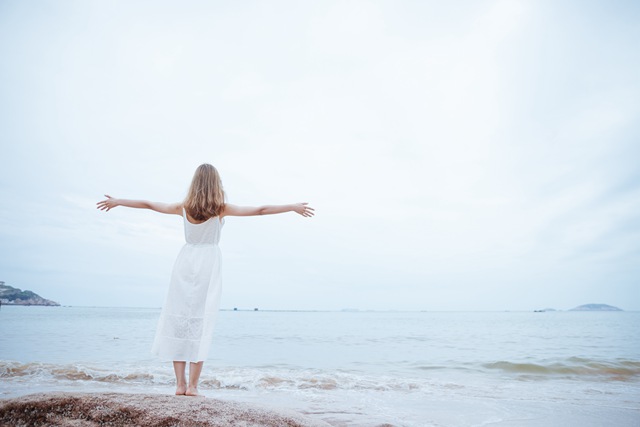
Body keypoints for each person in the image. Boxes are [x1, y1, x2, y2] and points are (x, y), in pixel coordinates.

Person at [96, 163, 314, 396]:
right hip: (208, 265)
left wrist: (119, 201)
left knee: (179, 321)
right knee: (201, 323)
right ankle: (193, 386)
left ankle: (179, 385)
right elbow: (260, 210)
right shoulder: (220, 208)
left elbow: (149, 204)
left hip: (185, 262)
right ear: (215, 184)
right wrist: (291, 206)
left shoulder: (183, 207)